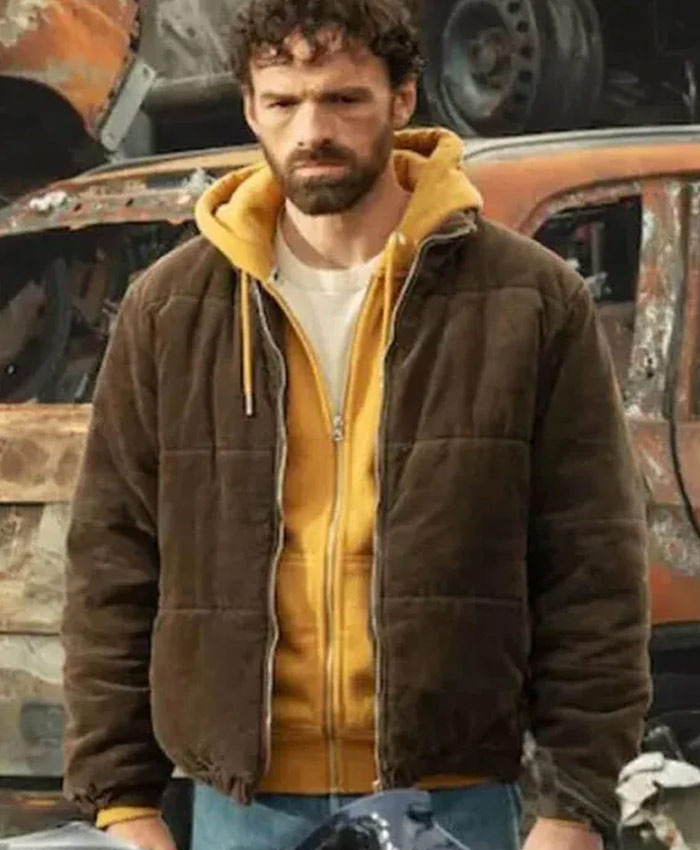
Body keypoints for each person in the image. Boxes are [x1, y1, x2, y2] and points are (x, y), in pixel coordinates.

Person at [61, 1, 650, 848]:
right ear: (249, 108)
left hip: (455, 799)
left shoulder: (529, 298)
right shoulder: (173, 308)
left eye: (343, 99)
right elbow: (112, 562)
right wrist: (121, 801)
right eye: (284, 101)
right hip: (242, 807)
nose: (312, 131)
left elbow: (593, 566)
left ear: (403, 99)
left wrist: (575, 805)